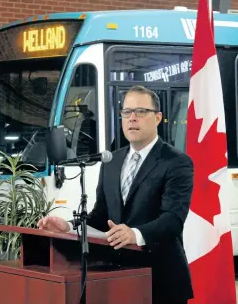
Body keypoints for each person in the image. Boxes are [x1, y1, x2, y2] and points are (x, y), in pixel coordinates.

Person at [38, 85, 194, 304]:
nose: (132, 118)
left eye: (141, 112)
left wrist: (135, 234)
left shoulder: (176, 162)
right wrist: (70, 227)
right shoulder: (112, 161)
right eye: (126, 112)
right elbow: (101, 218)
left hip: (161, 279)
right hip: (117, 278)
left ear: (157, 118)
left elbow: (173, 219)